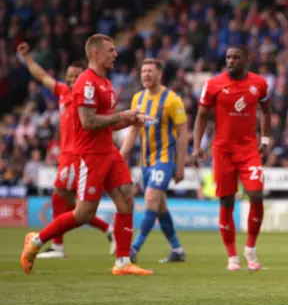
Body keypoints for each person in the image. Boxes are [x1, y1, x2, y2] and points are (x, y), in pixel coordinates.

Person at [20, 34, 154, 276]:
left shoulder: (106, 83)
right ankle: (36, 242)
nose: (115, 54)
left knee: (126, 200)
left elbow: (108, 124)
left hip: (109, 152)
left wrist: (131, 121)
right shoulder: (86, 83)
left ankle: (123, 262)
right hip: (90, 156)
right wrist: (124, 115)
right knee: (83, 213)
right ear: (96, 54)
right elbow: (89, 122)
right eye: (111, 50)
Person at [16, 42, 114, 259]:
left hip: (78, 154)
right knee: (72, 205)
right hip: (66, 154)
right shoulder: (62, 92)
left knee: (61, 197)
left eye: (75, 76)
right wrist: (28, 58)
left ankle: (58, 246)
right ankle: (107, 230)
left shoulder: (87, 94)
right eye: (69, 76)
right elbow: (42, 77)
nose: (70, 80)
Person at [193, 46, 271, 272]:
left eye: (236, 57)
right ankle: (232, 256)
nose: (231, 61)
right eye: (228, 57)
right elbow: (201, 116)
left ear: (245, 59)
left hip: (249, 150)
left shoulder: (259, 83)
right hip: (223, 151)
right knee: (226, 200)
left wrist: (265, 139)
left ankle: (250, 249)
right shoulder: (213, 84)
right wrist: (197, 147)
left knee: (256, 193)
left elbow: (266, 110)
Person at [120, 59, 188, 263]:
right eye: (143, 71)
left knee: (150, 197)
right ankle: (177, 249)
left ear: (160, 74)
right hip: (145, 162)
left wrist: (180, 166)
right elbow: (133, 129)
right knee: (159, 206)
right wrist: (119, 156)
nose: (146, 75)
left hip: (164, 159)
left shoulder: (172, 100)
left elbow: (183, 134)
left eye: (150, 71)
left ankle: (133, 249)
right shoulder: (137, 99)